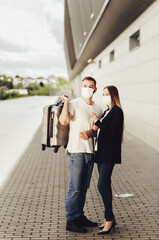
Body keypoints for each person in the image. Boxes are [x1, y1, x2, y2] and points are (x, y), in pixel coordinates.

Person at [59, 76, 103, 233]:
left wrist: (92, 132)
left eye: (90, 86)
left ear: (95, 89)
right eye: (85, 85)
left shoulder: (98, 108)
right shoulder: (74, 104)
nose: (87, 88)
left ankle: (79, 215)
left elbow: (98, 131)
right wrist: (65, 103)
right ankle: (71, 220)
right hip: (76, 151)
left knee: (83, 188)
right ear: (81, 87)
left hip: (90, 152)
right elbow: (64, 121)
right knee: (75, 188)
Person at [90, 85, 124, 235]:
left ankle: (109, 219)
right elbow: (103, 129)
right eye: (103, 94)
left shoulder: (117, 111)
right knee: (105, 185)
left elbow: (112, 132)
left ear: (114, 95)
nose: (104, 96)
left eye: (107, 94)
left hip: (110, 154)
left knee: (102, 185)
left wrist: (97, 122)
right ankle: (109, 219)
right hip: (102, 153)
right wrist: (96, 124)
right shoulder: (107, 111)